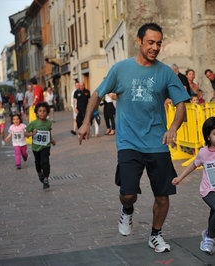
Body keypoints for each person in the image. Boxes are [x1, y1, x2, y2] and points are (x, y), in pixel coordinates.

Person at [78, 23, 190, 253]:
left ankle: (155, 235)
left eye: (159, 43)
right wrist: (86, 121)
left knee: (163, 195)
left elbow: (181, 104)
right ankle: (127, 211)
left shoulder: (166, 72)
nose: (155, 47)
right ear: (138, 41)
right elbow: (97, 94)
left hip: (157, 143)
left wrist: (174, 128)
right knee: (128, 193)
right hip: (129, 142)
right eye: (150, 42)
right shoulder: (121, 69)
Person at [172, 117, 215, 255]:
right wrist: (180, 177)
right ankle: (210, 238)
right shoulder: (204, 152)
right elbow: (194, 164)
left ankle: (208, 233)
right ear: (208, 136)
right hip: (208, 190)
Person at [25, 102, 56, 189]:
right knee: (38, 162)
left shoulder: (48, 123)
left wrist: (51, 140)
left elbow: (48, 132)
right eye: (40, 111)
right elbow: (25, 133)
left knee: (45, 161)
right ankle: (39, 173)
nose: (42, 113)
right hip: (36, 147)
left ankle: (46, 178)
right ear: (37, 113)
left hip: (45, 146)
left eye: (44, 111)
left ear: (47, 112)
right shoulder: (33, 123)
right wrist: (31, 134)